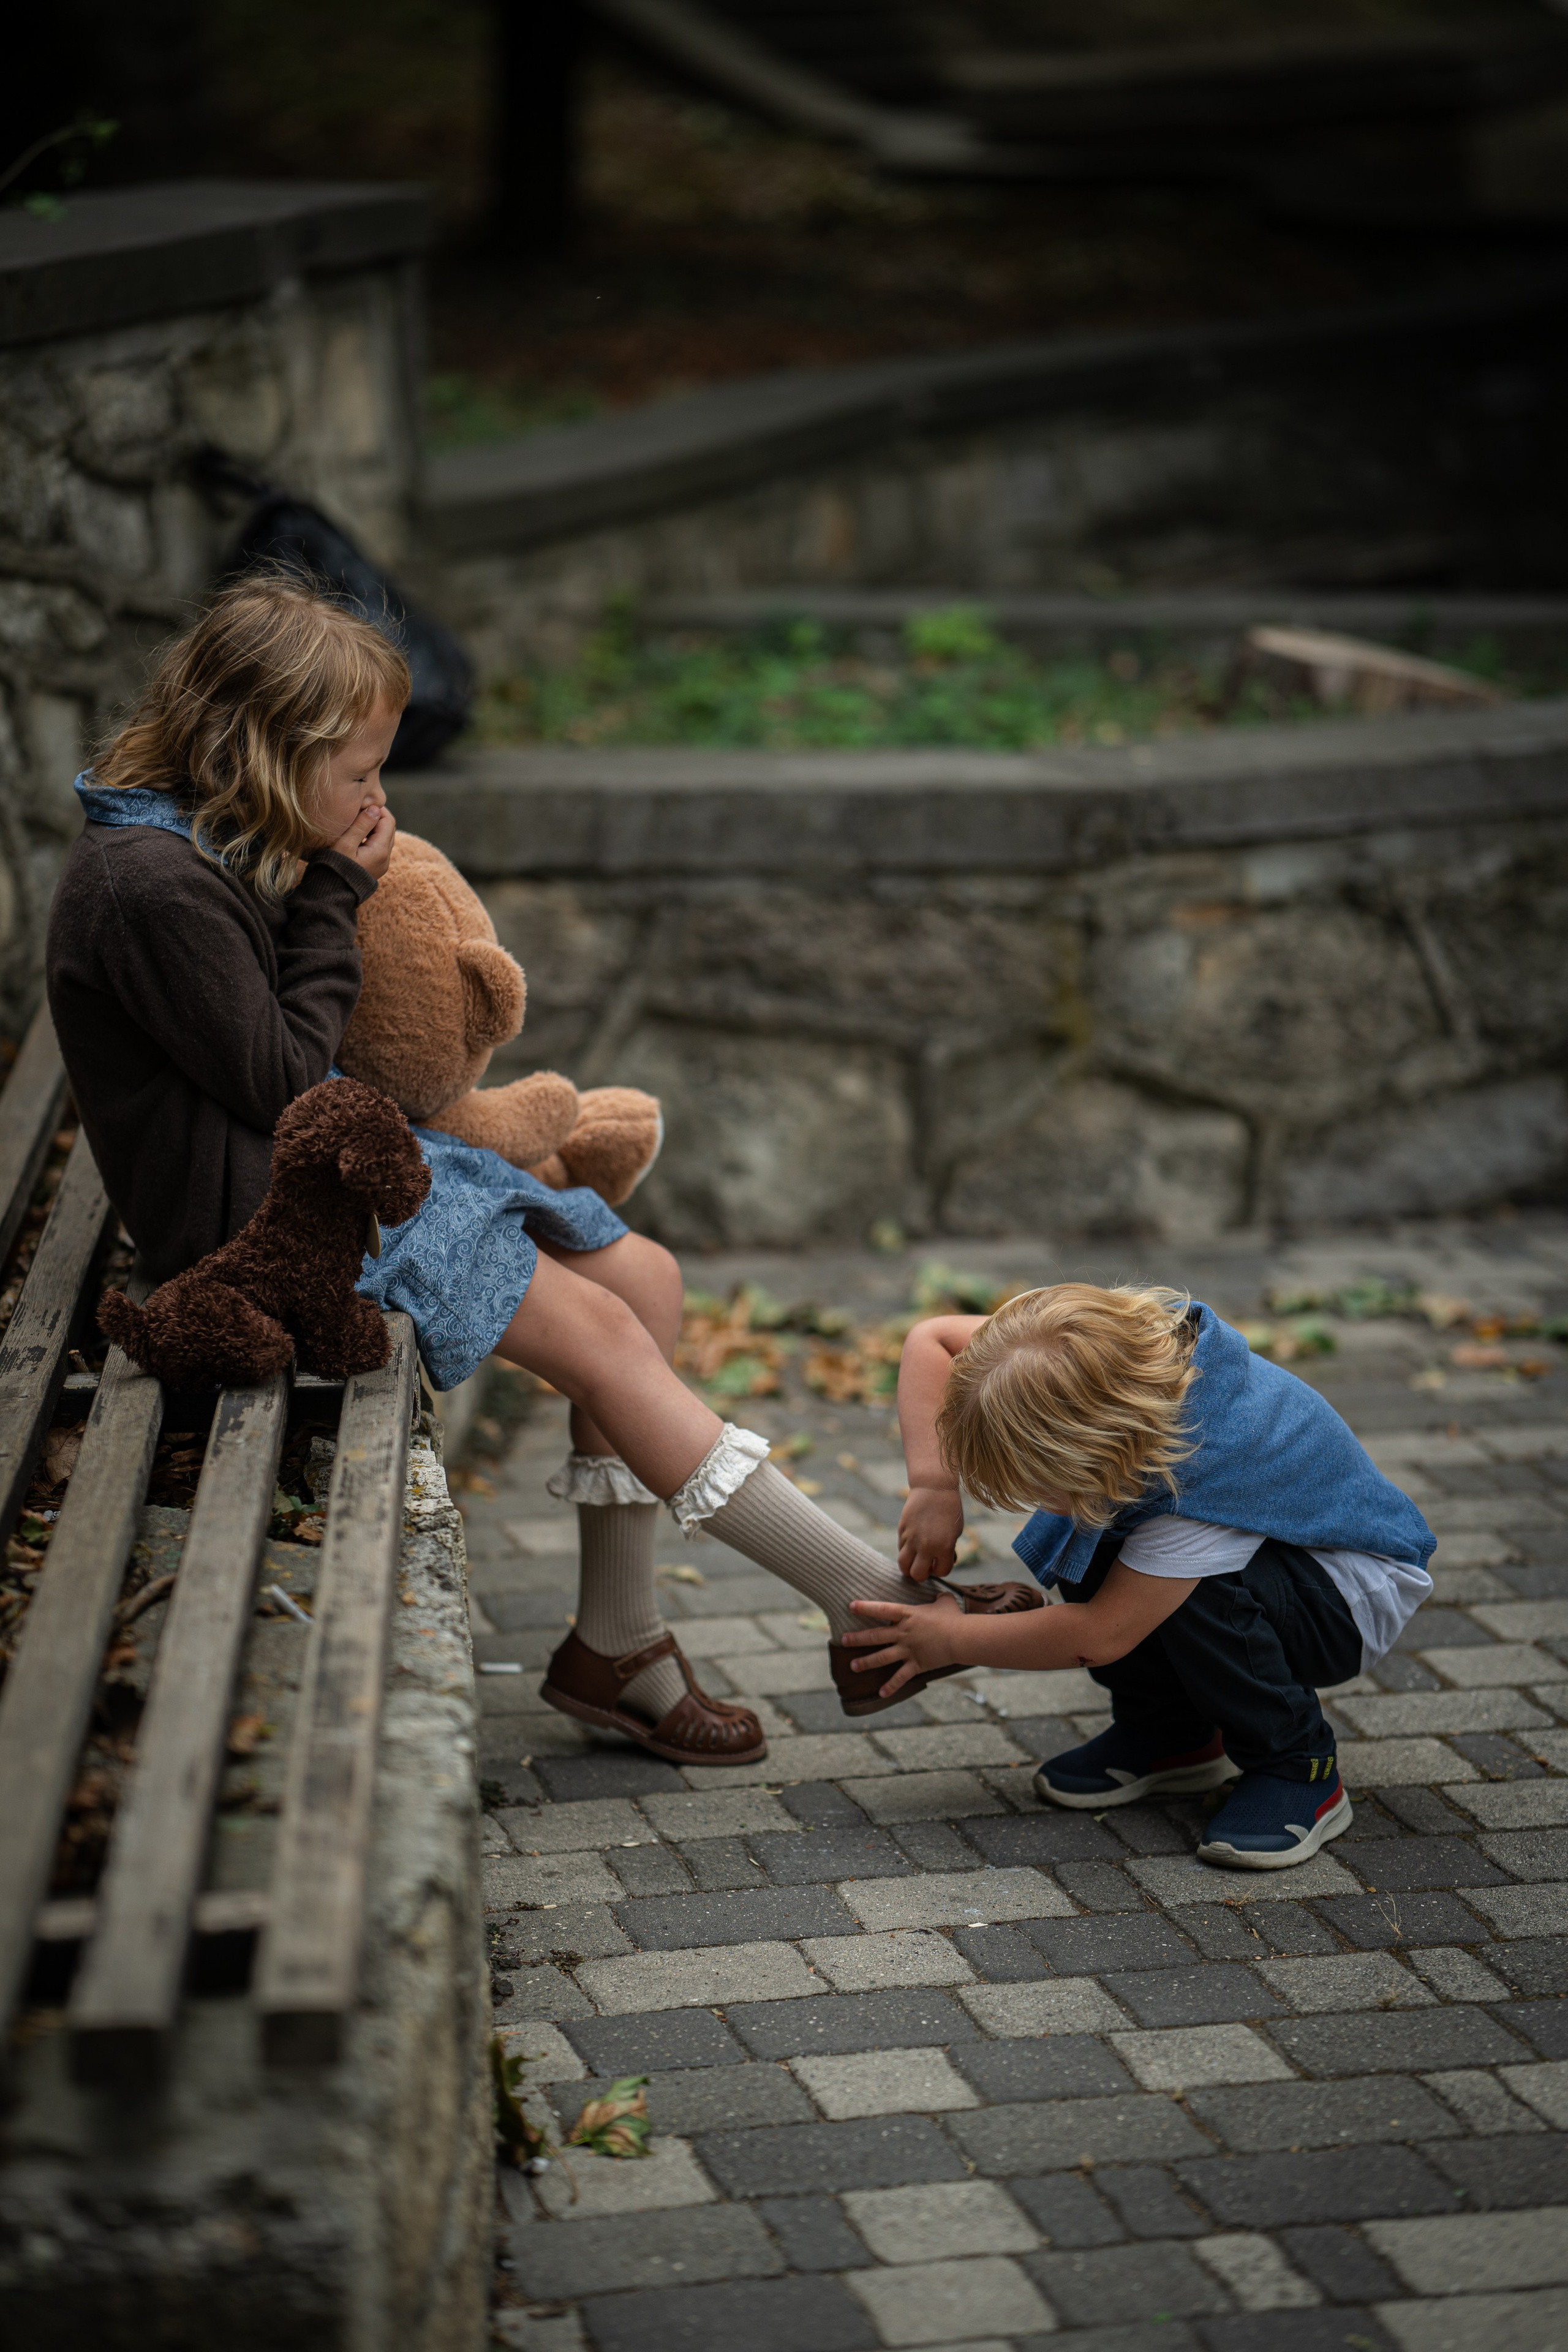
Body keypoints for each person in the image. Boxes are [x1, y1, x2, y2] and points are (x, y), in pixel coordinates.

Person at [45, 577, 1027, 1769]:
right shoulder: (148, 888)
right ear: (254, 752)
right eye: (356, 774)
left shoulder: (204, 839)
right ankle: (869, 1604)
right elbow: (283, 1080)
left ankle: (619, 1644)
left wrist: (327, 886)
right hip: (267, 1220)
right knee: (606, 1345)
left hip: (332, 1168)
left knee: (646, 1283)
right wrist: (334, 900)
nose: (376, 800)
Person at [845, 1281, 1435, 1868]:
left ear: (1102, 1447)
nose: (1034, 1501)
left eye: (1036, 1486)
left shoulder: (1203, 1478)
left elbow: (1099, 1636)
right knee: (1088, 1538)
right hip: (1266, 1552)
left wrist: (947, 1640)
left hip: (1344, 1602)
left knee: (1196, 1590)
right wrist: (933, 1486)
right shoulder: (1059, 1354)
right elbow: (932, 1339)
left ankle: (1298, 1767)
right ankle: (1173, 1737)